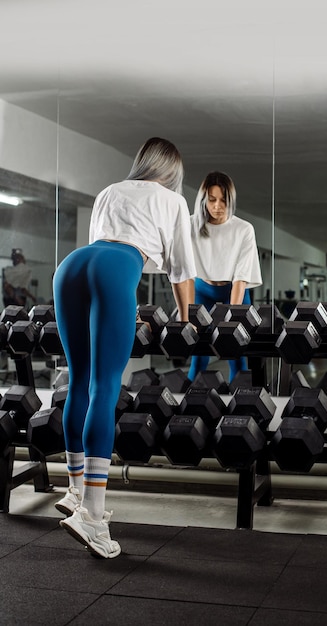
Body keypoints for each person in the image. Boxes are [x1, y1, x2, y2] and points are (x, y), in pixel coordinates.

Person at [53, 137, 196, 558]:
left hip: (73, 266)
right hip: (115, 271)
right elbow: (181, 271)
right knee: (104, 387)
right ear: (173, 172)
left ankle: (75, 491)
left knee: (78, 381)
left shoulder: (109, 191)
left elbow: (104, 244)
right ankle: (94, 519)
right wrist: (187, 320)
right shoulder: (171, 200)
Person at [188, 171, 262, 383]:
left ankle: (240, 408)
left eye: (223, 200)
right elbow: (181, 269)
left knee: (235, 351)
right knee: (199, 355)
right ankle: (189, 404)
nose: (218, 206)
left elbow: (241, 276)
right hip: (202, 290)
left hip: (234, 290)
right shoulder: (190, 225)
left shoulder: (244, 229)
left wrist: (232, 317)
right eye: (212, 200)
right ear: (204, 199)